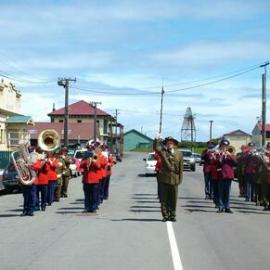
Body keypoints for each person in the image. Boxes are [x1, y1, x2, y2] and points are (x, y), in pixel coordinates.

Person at [153, 135, 183, 222]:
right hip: (164, 179)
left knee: (173, 199)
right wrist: (157, 139)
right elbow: (156, 148)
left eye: (171, 142)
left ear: (174, 144)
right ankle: (165, 216)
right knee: (164, 199)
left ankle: (172, 215)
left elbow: (181, 168)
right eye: (168, 143)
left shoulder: (179, 154)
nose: (170, 144)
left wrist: (180, 179)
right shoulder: (163, 152)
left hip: (175, 179)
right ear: (166, 144)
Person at [217, 139, 237, 214]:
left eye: (226, 146)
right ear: (221, 146)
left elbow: (235, 163)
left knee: (227, 192)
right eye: (223, 146)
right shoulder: (218, 154)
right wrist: (221, 157)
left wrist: (229, 155)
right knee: (221, 192)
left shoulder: (232, 155)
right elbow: (218, 164)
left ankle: (227, 207)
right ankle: (221, 207)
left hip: (229, 175)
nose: (225, 147)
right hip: (221, 175)